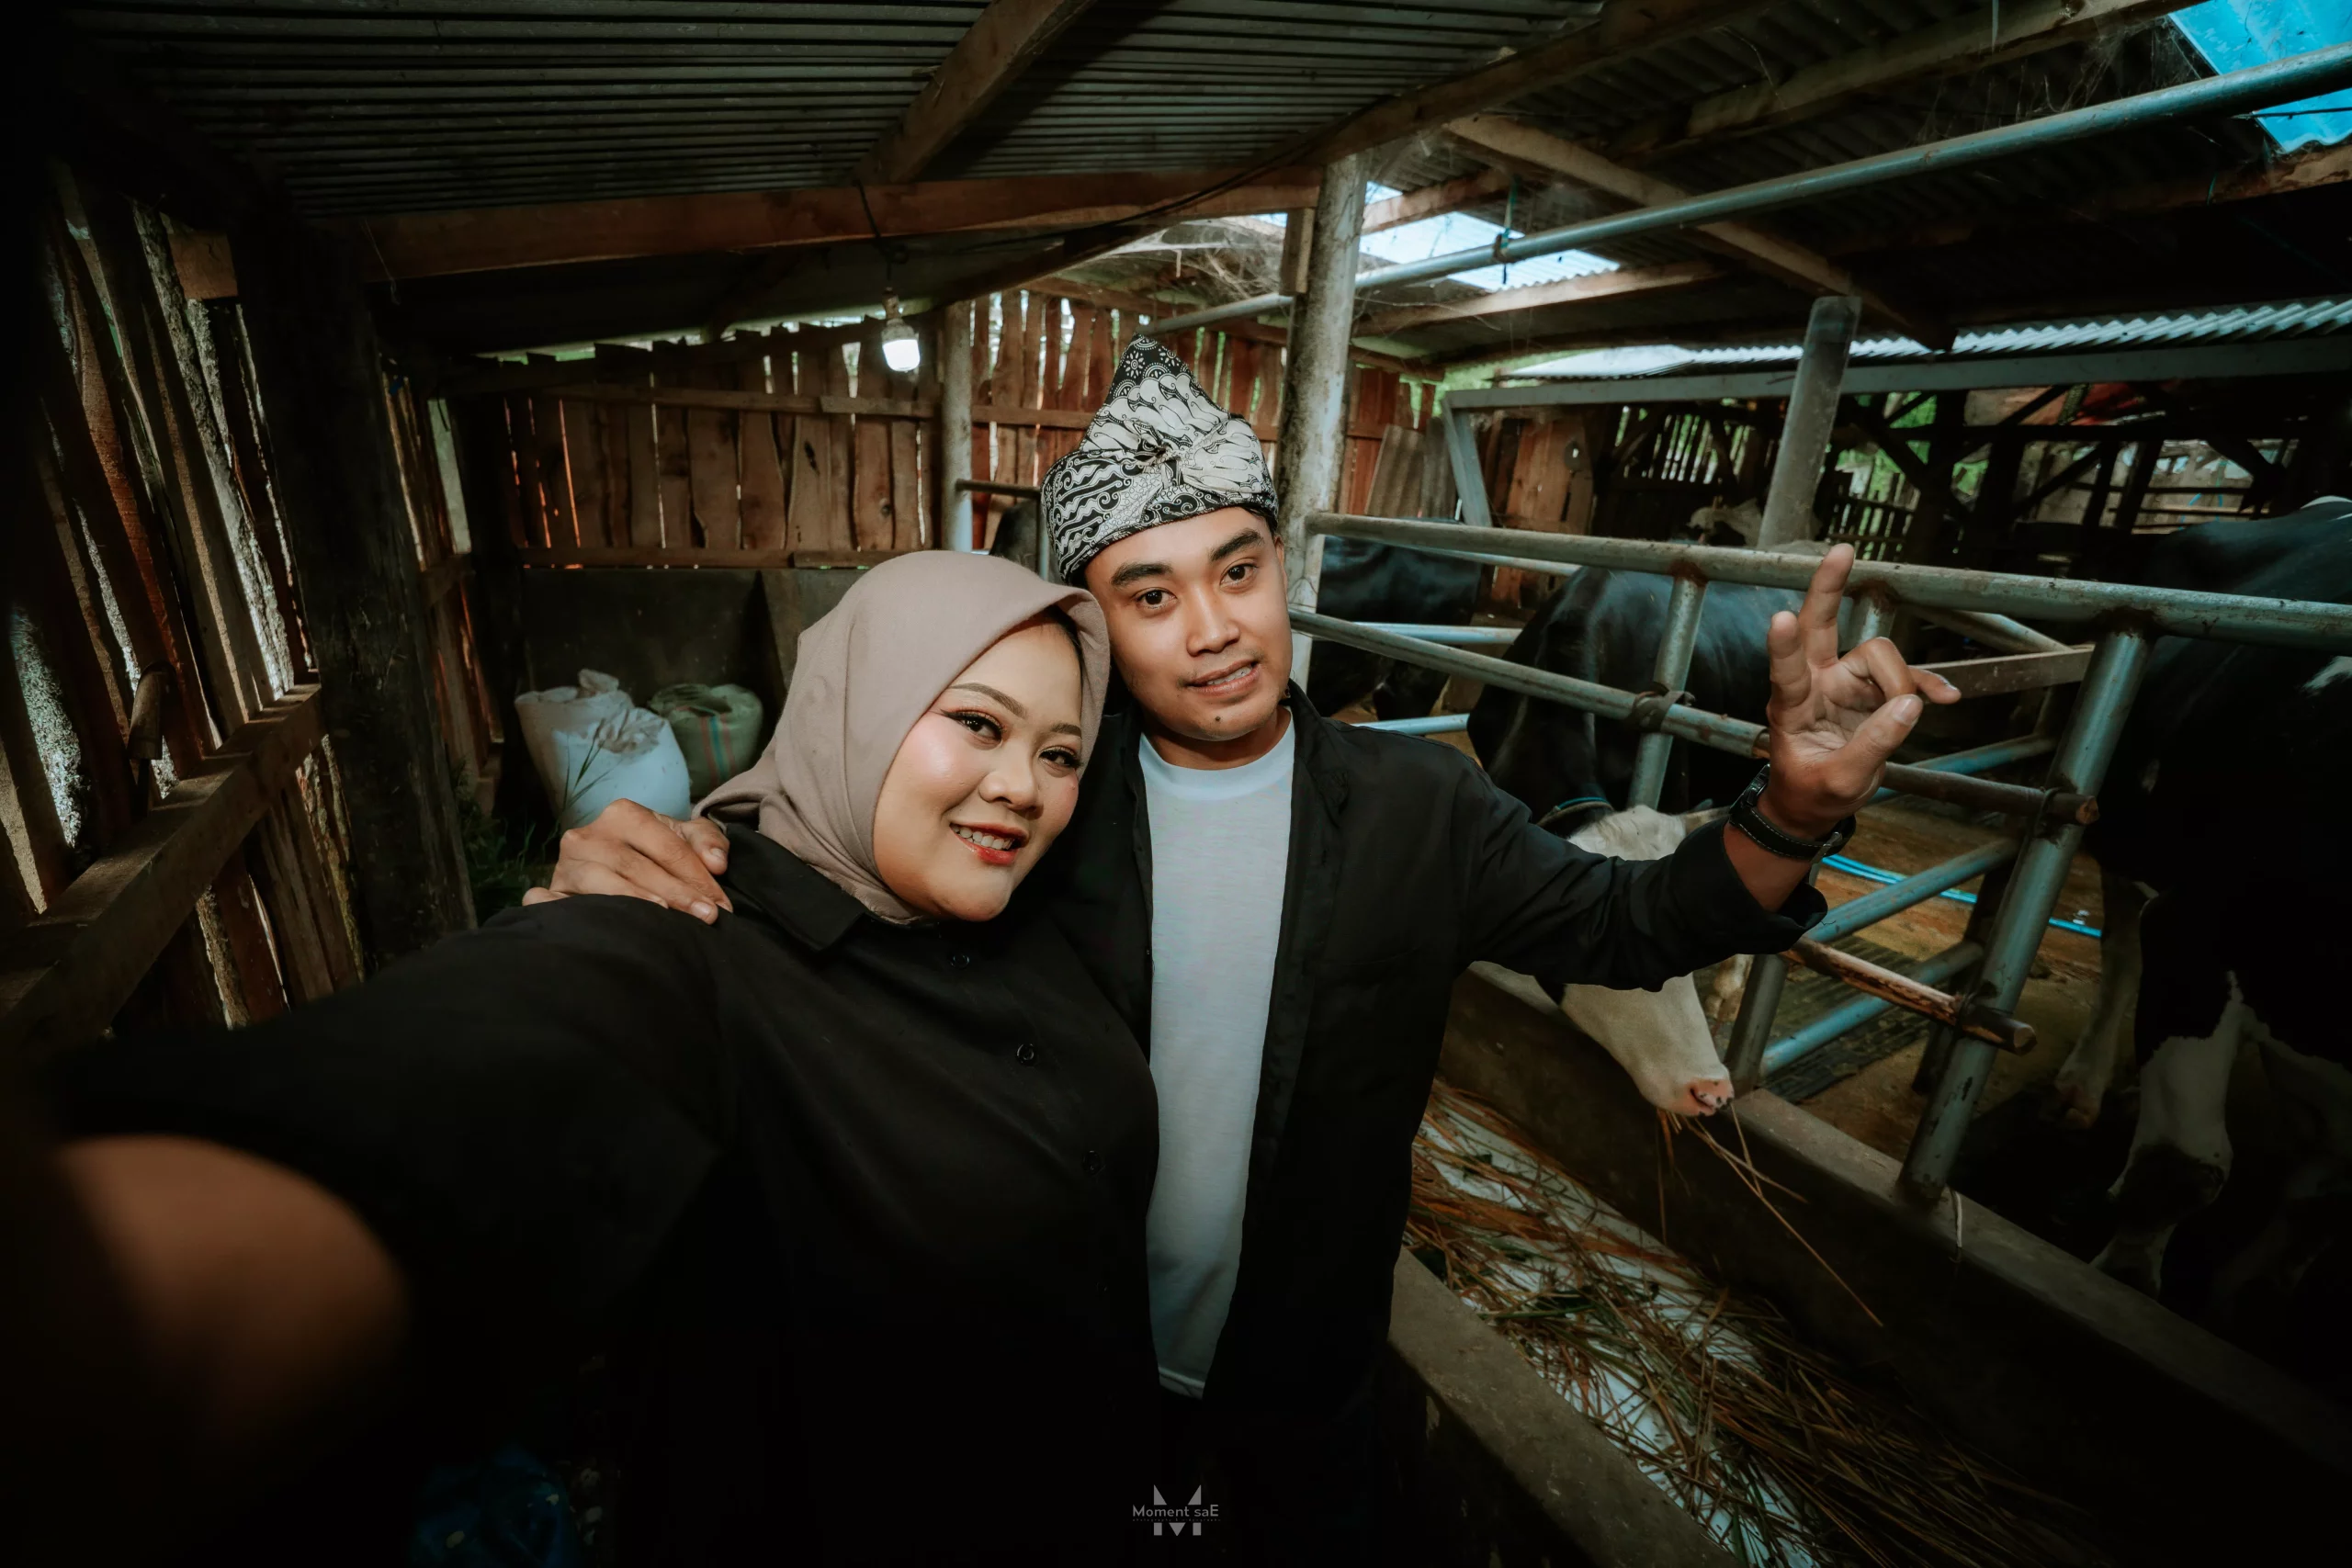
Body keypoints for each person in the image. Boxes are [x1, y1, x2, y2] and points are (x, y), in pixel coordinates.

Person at [539, 337, 1963, 1558]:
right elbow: (835, 863)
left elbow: (1629, 922)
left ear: (1286, 566)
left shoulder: (1417, 811)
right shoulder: (1038, 810)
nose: (1215, 629)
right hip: (1055, 1363)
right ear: (1095, 624)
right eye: (1151, 593)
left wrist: (1789, 809)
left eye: (1239, 568)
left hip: (1297, 1376)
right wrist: (659, 861)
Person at [13, 553, 1159, 1567]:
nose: (1025, 785)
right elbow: (505, 1060)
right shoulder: (688, 936)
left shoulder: (1033, 910)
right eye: (978, 724)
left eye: (1059, 751)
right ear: (856, 707)